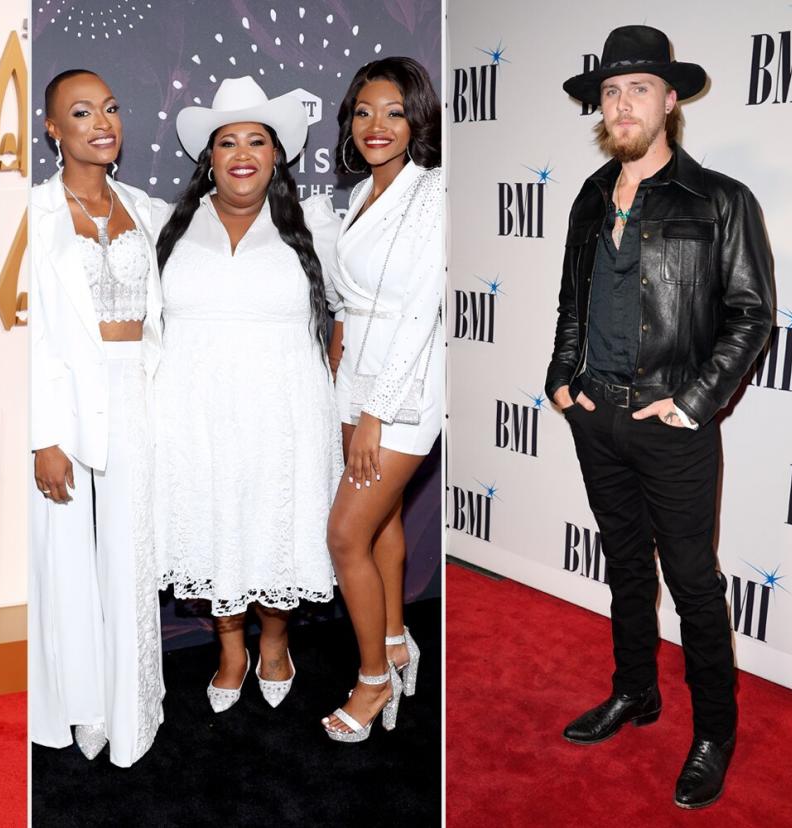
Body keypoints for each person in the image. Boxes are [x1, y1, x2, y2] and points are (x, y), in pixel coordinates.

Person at [548, 26, 773, 809]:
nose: (622, 104)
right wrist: (561, 377)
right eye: (611, 92)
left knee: (693, 584)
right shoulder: (587, 194)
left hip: (672, 427)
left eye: (638, 88)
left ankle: (714, 729)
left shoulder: (719, 200)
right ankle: (635, 693)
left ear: (670, 100)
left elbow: (751, 315)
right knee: (625, 568)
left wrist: (695, 401)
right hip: (595, 419)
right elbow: (571, 301)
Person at [153, 77, 342, 714]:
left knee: (276, 527)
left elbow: (352, 317)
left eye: (256, 141)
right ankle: (230, 649)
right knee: (213, 528)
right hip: (192, 411)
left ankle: (276, 644)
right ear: (208, 156)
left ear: (277, 154)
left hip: (285, 410)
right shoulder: (168, 225)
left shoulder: (315, 223)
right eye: (227, 141)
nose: (241, 153)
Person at [30, 69, 169, 767]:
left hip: (138, 398)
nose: (103, 122)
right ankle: (80, 709)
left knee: (128, 554)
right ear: (53, 128)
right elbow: (31, 335)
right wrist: (44, 435)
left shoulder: (145, 208)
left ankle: (129, 710)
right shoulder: (34, 214)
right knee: (66, 563)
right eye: (82, 112)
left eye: (111, 108)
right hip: (65, 399)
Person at [321, 57, 444, 743]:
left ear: (417, 117)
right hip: (355, 375)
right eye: (364, 111)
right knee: (382, 522)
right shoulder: (362, 195)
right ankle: (397, 641)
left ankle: (372, 682)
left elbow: (418, 311)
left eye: (394, 111)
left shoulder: (431, 195)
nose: (376, 125)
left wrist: (375, 414)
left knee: (344, 534)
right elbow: (360, 288)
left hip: (402, 386)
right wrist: (341, 322)